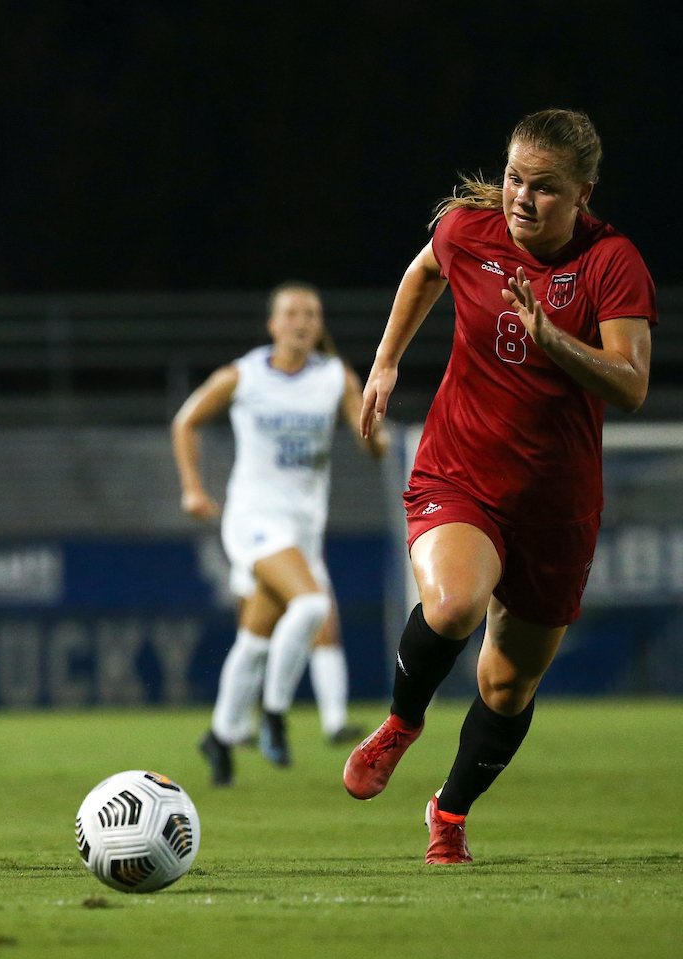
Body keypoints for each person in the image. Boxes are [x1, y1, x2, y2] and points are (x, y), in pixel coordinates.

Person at [344, 109, 656, 864]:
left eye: (543, 187)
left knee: (508, 686)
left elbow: (631, 383)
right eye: (515, 178)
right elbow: (425, 270)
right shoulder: (469, 231)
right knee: (454, 605)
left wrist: (553, 338)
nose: (521, 197)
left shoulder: (611, 262)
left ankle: (448, 812)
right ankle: (402, 722)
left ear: (582, 193)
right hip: (461, 472)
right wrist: (385, 361)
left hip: (555, 506)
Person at [173, 282, 388, 786]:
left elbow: (371, 442)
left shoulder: (335, 377)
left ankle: (220, 736)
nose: (302, 322)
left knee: (254, 639)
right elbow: (186, 422)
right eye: (291, 313)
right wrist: (192, 489)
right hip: (253, 520)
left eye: (311, 314)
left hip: (303, 529)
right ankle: (273, 713)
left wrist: (378, 435)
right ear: (272, 324)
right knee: (312, 606)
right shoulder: (243, 375)